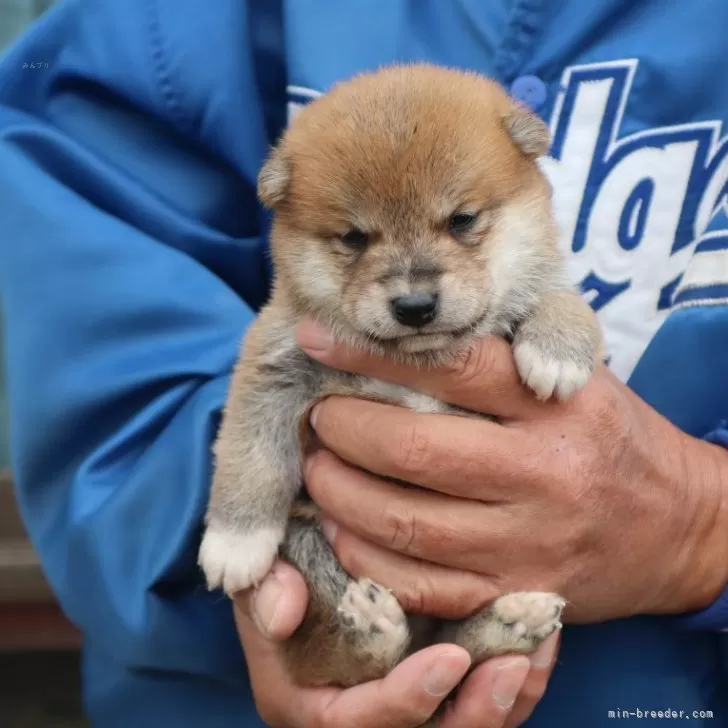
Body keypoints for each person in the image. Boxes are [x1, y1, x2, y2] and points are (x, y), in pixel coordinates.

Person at [0, 1, 727, 726]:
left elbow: (560, 310)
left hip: (661, 693)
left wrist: (703, 528)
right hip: (230, 686)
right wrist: (249, 520)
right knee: (320, 580)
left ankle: (475, 640)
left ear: (527, 168)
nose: (412, 289)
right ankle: (371, 650)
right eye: (352, 239)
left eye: (463, 224)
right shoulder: (161, 29)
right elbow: (107, 346)